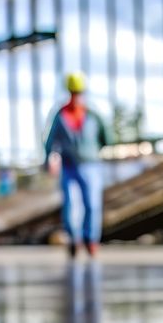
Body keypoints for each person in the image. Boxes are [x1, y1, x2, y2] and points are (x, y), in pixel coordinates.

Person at [45, 73, 114, 259]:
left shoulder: (93, 114)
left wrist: (93, 150)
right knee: (69, 204)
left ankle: (90, 240)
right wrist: (49, 160)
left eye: (78, 92)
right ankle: (73, 239)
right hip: (69, 166)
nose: (76, 96)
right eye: (73, 93)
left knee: (91, 204)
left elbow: (107, 137)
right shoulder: (60, 115)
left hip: (91, 165)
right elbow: (50, 141)